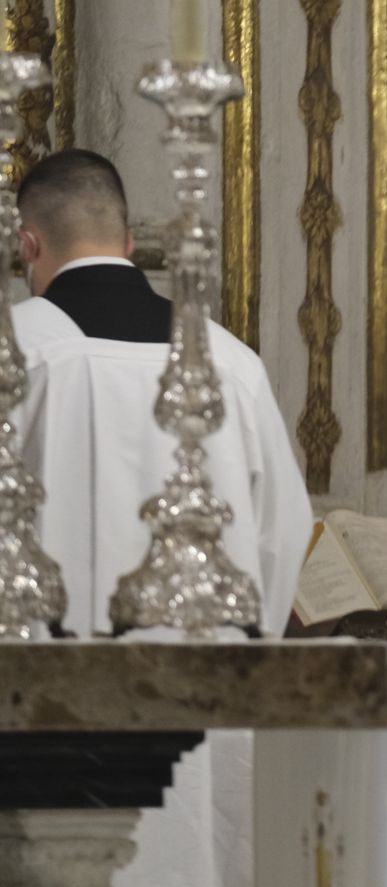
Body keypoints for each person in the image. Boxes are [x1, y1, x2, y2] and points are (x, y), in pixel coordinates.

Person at [11, 148, 313, 886]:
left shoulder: (20, 351)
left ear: (28, 244)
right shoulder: (231, 363)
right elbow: (284, 534)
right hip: (201, 714)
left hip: (48, 708)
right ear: (130, 244)